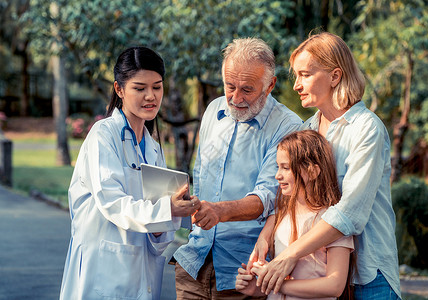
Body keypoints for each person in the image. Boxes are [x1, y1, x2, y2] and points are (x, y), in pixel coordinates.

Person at [248, 32, 402, 300]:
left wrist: (289, 254)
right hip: (320, 274)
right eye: (296, 75)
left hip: (368, 275)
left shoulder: (367, 129)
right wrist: (266, 237)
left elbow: (349, 213)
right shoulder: (307, 129)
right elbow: (290, 196)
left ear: (335, 76)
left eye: (305, 74)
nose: (297, 85)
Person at [59, 46, 200, 300]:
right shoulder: (103, 135)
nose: (151, 96)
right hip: (103, 269)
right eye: (140, 88)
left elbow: (158, 230)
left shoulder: (153, 148)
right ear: (119, 89)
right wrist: (167, 209)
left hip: (142, 273)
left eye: (157, 87)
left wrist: (166, 221)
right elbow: (113, 203)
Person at [173, 38, 303, 299]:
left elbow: (271, 196)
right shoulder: (213, 111)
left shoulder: (288, 126)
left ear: (270, 85)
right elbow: (201, 175)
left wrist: (219, 211)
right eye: (229, 86)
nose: (235, 98)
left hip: (245, 271)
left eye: (247, 89)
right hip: (194, 261)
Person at [236, 130, 354, 299]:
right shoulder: (281, 217)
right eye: (278, 167)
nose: (278, 175)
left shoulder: (331, 222)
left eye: (286, 168)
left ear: (313, 171)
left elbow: (334, 285)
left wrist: (277, 283)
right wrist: (257, 285)